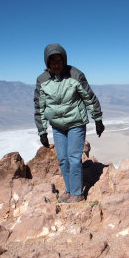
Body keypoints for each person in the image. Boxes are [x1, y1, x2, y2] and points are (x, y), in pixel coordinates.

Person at [34, 43, 105, 203]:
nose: (57, 65)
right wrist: (42, 131)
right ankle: (69, 189)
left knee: (73, 158)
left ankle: (78, 193)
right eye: (53, 62)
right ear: (47, 63)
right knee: (63, 159)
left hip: (76, 123)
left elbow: (89, 98)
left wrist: (98, 119)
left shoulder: (75, 75)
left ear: (64, 60)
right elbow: (39, 106)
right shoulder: (42, 80)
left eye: (59, 61)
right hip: (57, 126)